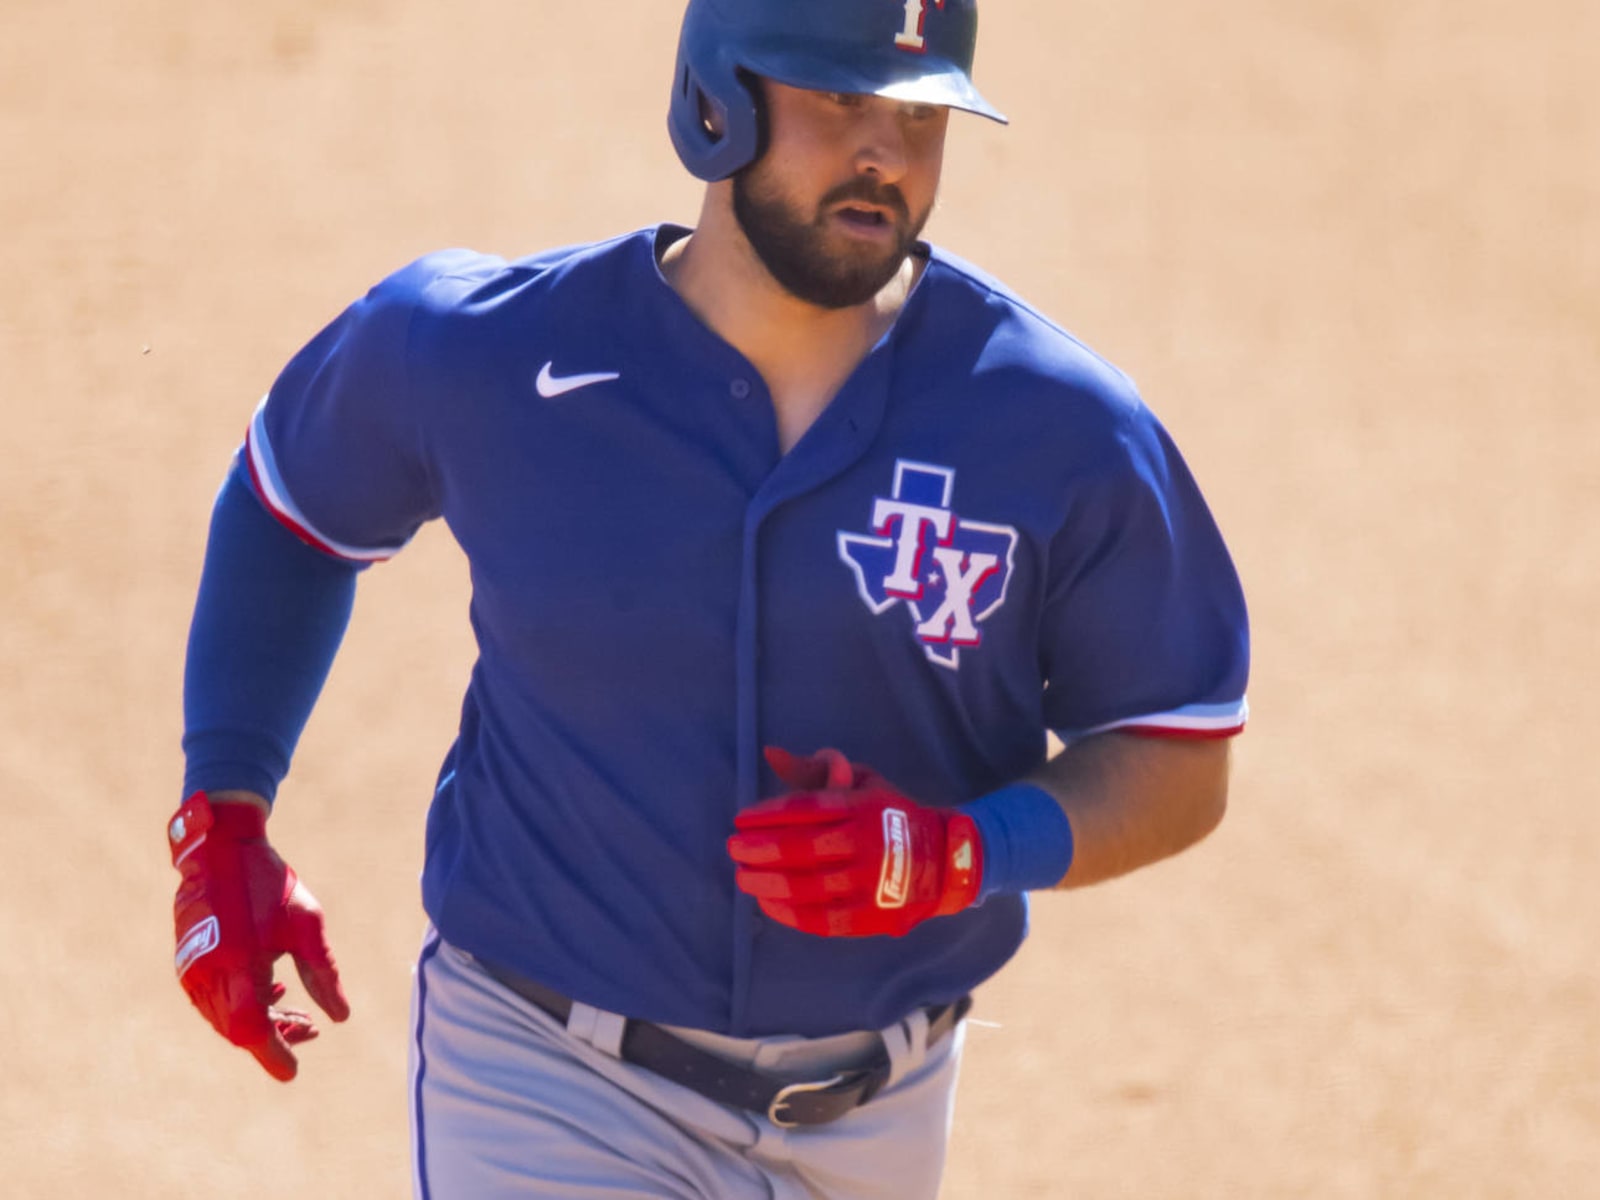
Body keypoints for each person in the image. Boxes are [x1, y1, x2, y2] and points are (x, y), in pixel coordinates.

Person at [167, 0, 1250, 1196]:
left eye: (920, 113)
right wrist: (224, 814)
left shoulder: (1055, 426)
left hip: (879, 1113)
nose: (884, 153)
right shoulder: (482, 353)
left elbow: (1173, 750)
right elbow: (290, 508)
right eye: (840, 101)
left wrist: (959, 853)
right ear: (716, 99)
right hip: (543, 1079)